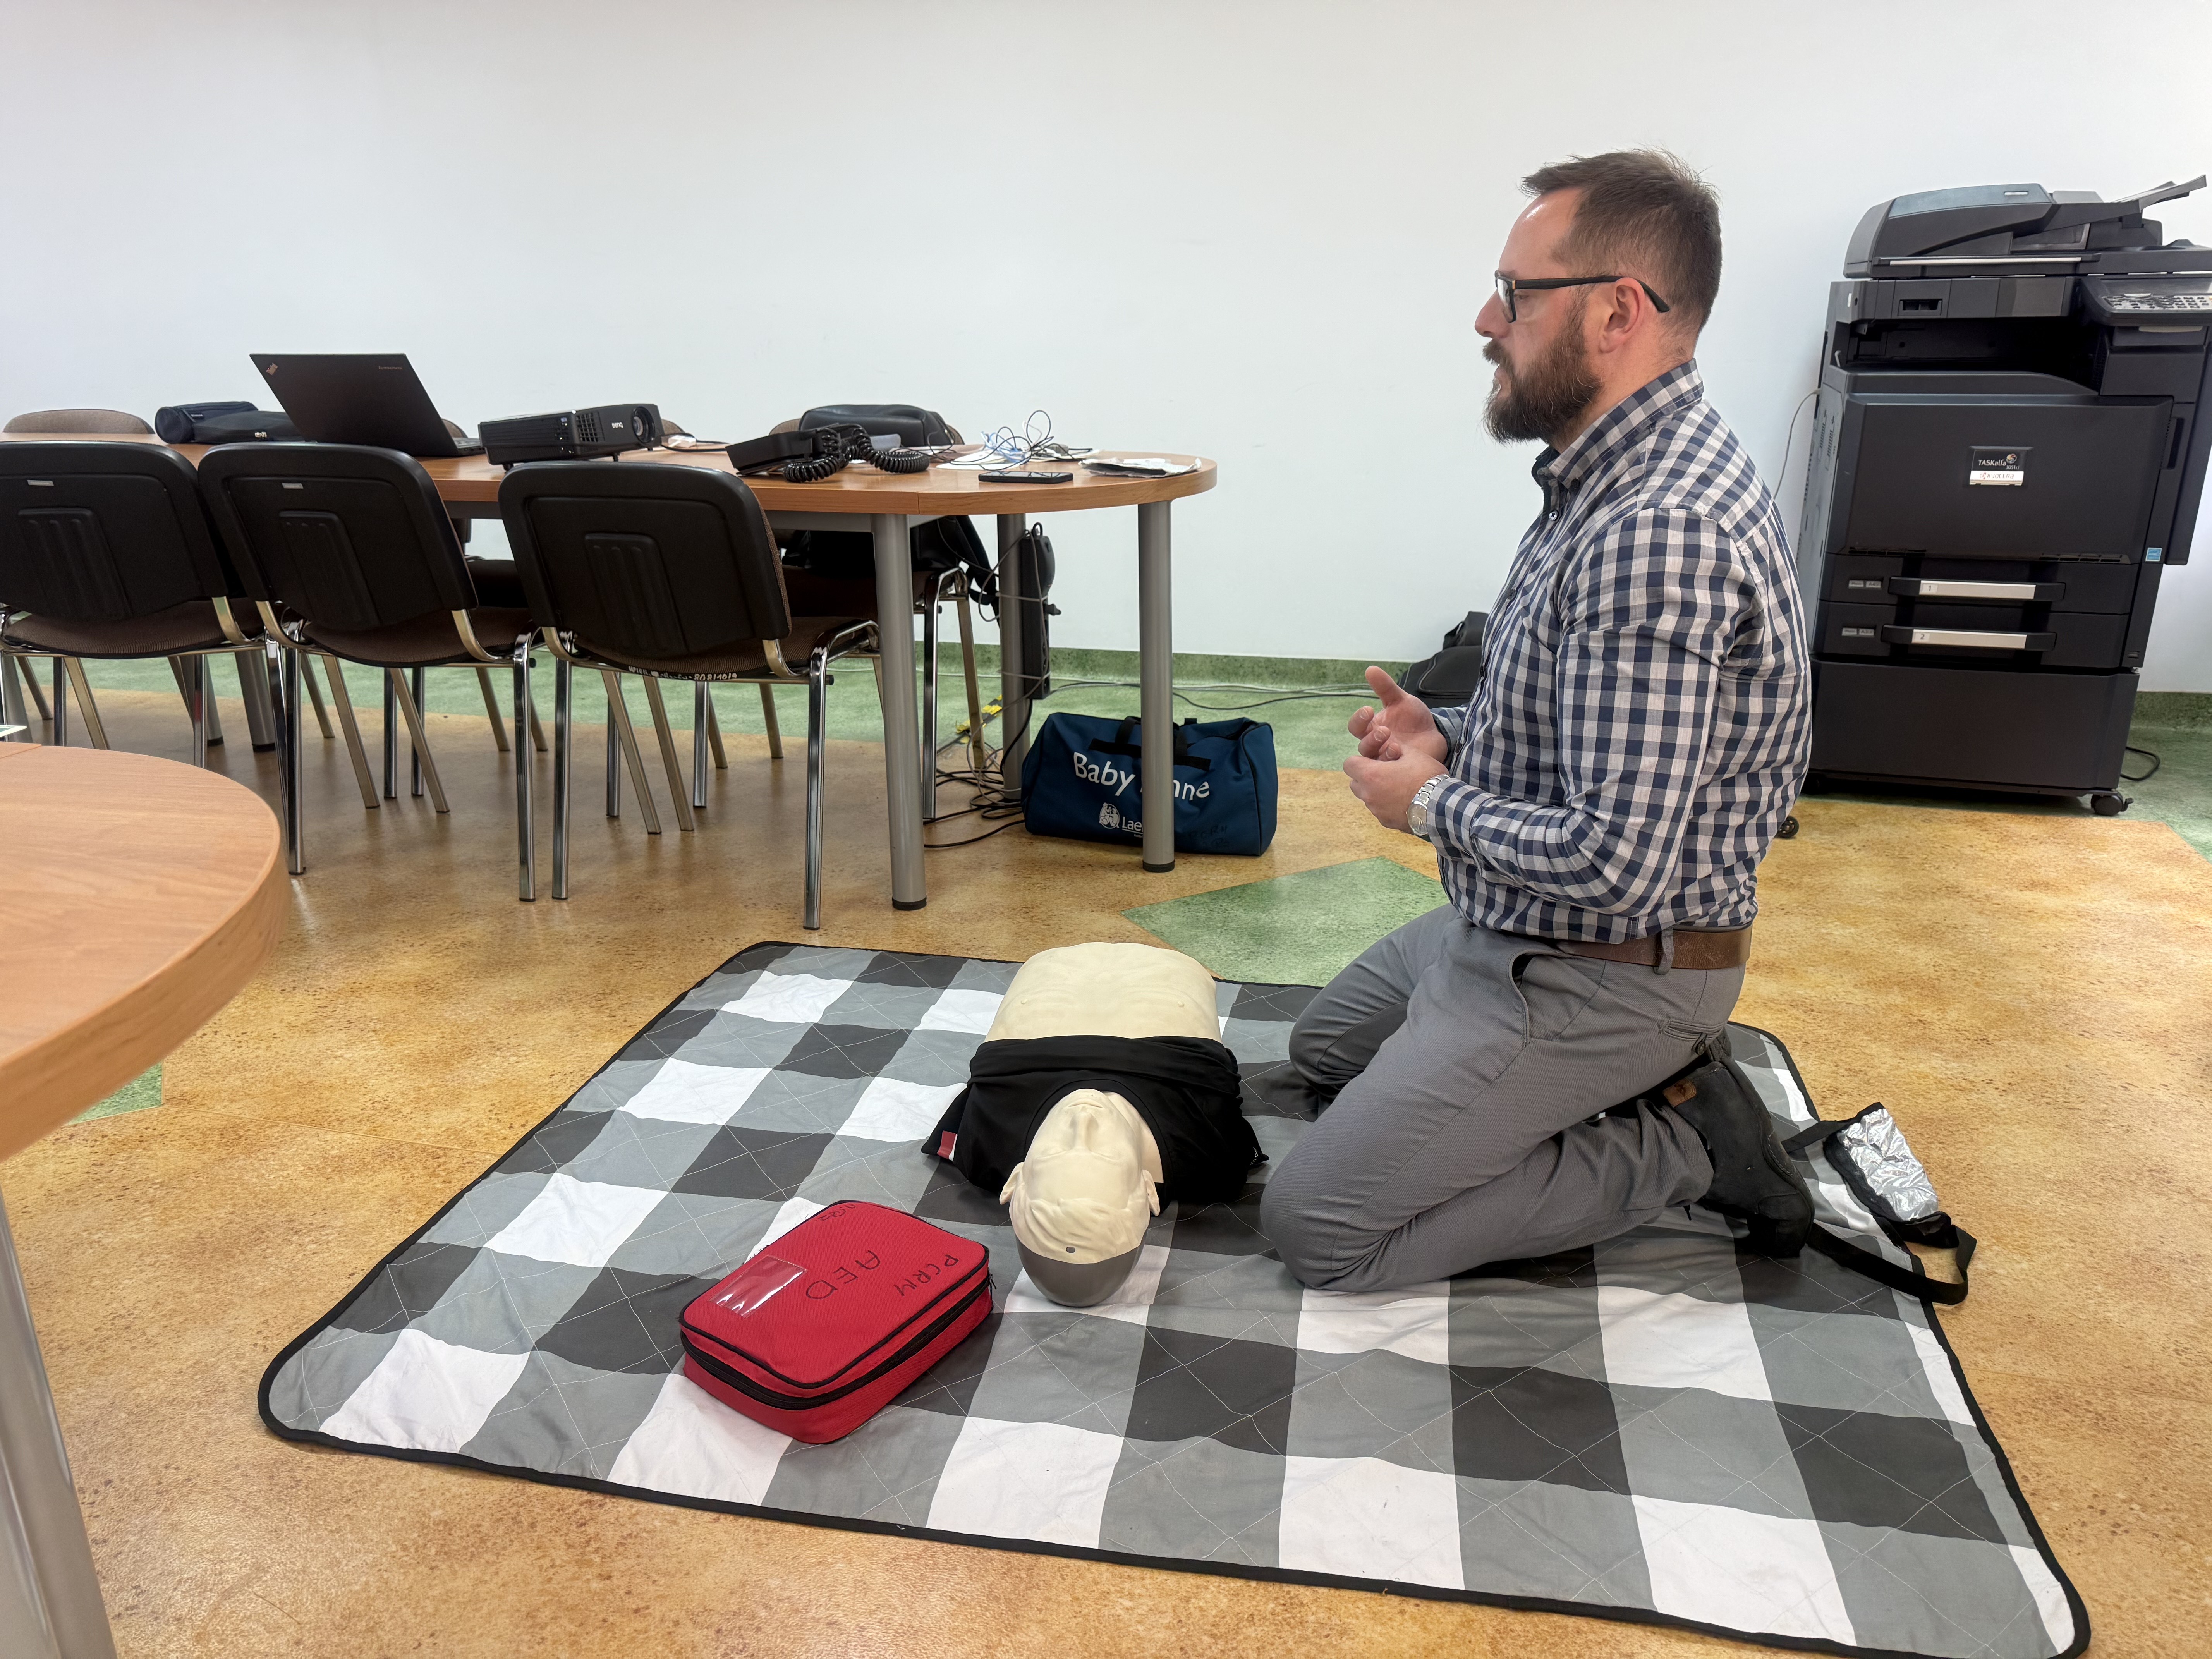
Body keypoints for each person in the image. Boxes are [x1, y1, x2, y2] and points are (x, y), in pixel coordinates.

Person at [1260, 150, 1815, 1295]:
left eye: (1516, 294)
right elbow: (1579, 723)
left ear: (1618, 312)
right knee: (1325, 1051)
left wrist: (1429, 803)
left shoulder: (1656, 529)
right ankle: (1542, 1087)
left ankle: (1682, 1145)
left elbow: (1617, 862)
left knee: (1320, 1228)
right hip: (1514, 920)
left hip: (1610, 966)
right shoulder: (1601, 476)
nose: (1487, 320)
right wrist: (1449, 734)